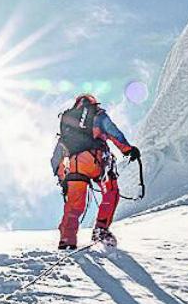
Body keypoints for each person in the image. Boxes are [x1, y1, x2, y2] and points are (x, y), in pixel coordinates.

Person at [50, 93, 140, 250]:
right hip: (96, 162)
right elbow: (114, 133)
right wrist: (128, 150)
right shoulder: (98, 115)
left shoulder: (68, 124)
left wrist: (63, 178)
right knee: (111, 192)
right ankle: (101, 230)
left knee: (74, 205)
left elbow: (56, 157)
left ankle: (66, 239)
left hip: (74, 166)